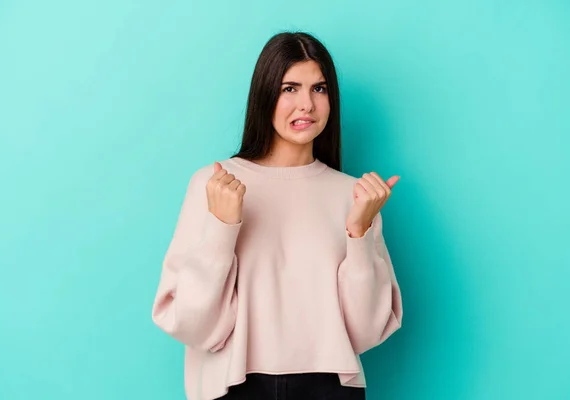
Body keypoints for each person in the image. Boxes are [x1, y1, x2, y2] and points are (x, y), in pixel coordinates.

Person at [151, 31, 403, 400]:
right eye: (289, 88)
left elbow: (366, 331)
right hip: (234, 385)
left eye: (319, 89)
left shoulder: (352, 196)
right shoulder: (216, 183)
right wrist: (223, 230)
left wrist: (359, 232)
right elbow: (193, 326)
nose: (307, 105)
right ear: (265, 94)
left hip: (329, 387)